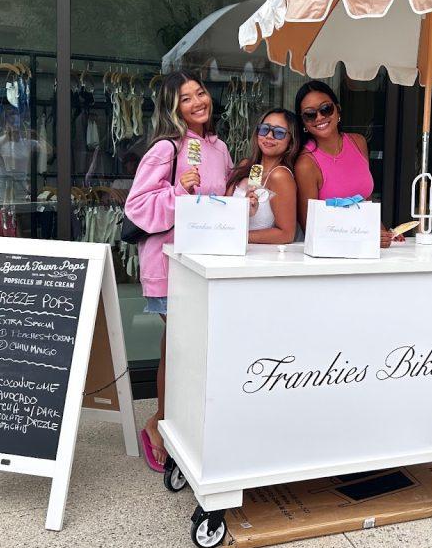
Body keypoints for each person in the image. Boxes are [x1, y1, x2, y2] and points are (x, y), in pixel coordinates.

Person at [124, 71, 233, 471]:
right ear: (174, 108)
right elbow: (137, 207)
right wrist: (177, 191)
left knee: (186, 347)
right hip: (170, 265)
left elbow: (218, 202)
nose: (197, 102)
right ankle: (159, 425)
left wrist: (245, 202)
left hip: (206, 262)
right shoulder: (166, 149)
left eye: (200, 93)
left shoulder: (219, 147)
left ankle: (175, 425)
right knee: (181, 347)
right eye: (185, 99)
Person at [293, 80, 398, 248]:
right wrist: (366, 238)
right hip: (332, 256)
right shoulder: (306, 164)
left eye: (326, 109)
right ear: (303, 122)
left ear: (338, 109)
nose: (319, 117)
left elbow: (365, 201)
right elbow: (311, 228)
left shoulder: (358, 142)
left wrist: (382, 233)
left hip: (366, 250)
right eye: (310, 114)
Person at [226, 109, 299, 244]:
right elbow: (225, 212)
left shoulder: (280, 176)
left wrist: (234, 235)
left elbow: (286, 234)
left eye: (279, 133)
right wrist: (244, 210)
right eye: (264, 129)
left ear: (291, 141)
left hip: (256, 257)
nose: (269, 136)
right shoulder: (245, 165)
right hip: (227, 250)